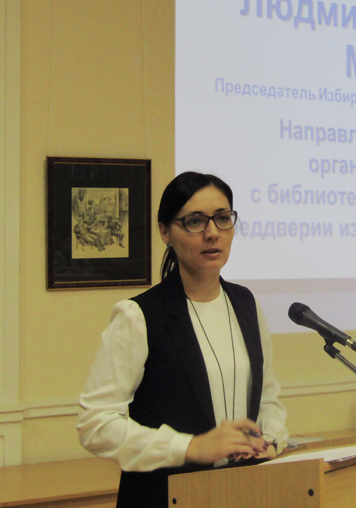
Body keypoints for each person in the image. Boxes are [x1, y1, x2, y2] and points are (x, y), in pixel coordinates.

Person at [77, 172, 288, 508]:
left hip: (240, 493)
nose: (212, 233)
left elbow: (267, 398)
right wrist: (189, 447)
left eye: (222, 218)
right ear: (165, 232)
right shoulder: (138, 316)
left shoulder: (246, 303)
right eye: (195, 222)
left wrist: (271, 438)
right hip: (162, 496)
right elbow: (95, 424)